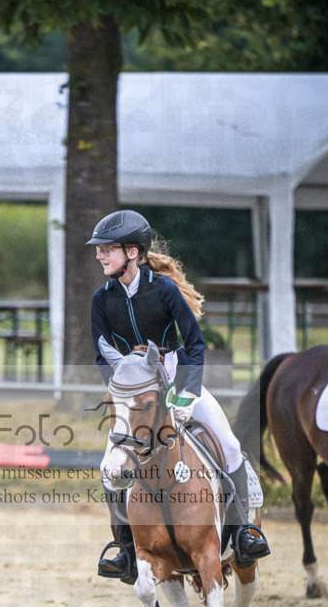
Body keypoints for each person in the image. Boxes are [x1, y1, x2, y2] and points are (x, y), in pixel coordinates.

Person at [88, 208, 270, 583]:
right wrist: (121, 388)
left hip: (175, 377)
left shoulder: (164, 290)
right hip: (135, 392)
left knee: (230, 445)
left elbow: (196, 344)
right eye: (99, 250)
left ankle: (242, 533)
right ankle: (124, 550)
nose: (100, 255)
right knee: (109, 469)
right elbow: (101, 355)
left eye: (107, 249)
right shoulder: (101, 300)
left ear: (133, 252)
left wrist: (186, 393)